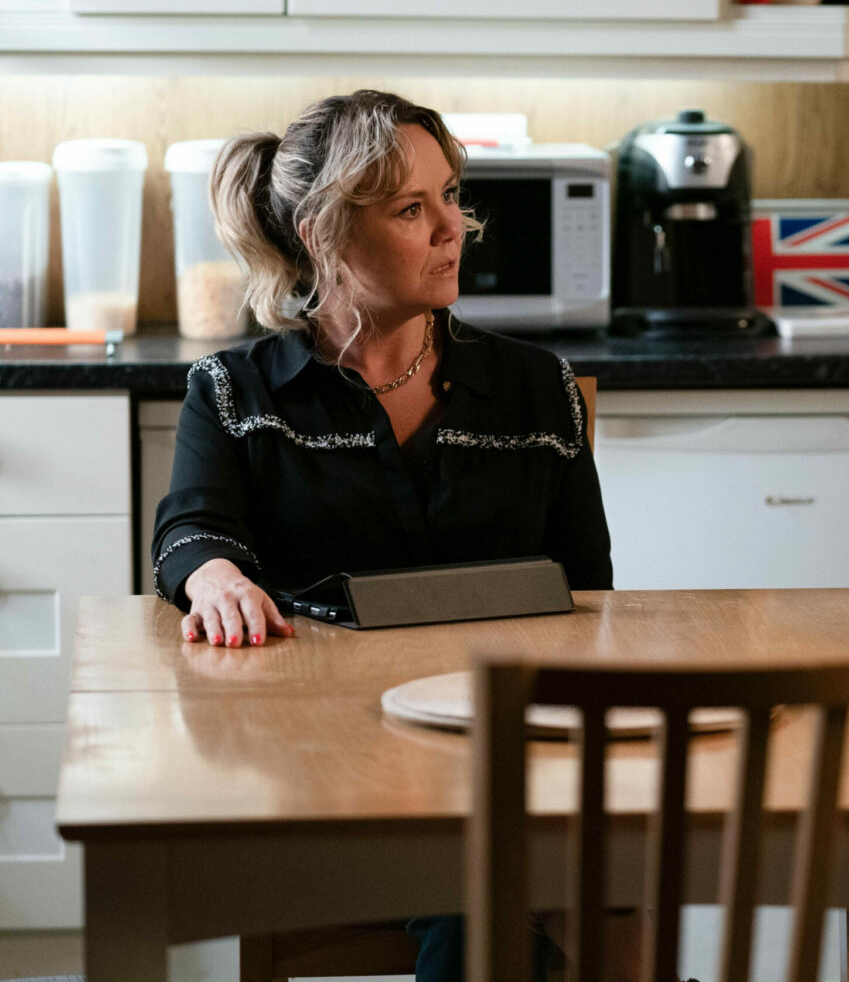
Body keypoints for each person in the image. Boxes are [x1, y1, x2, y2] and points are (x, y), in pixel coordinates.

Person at [151, 89, 611, 982]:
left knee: (575, 876)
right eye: (410, 209)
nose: (453, 229)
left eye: (451, 197)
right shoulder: (234, 391)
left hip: (507, 750)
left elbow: (592, 598)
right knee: (508, 887)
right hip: (323, 766)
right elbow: (191, 532)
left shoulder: (538, 390)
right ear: (323, 234)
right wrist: (215, 578)